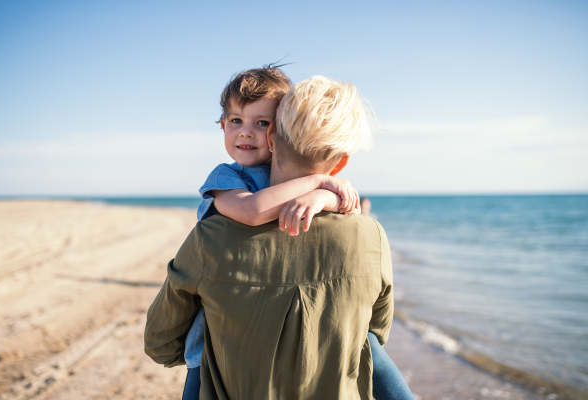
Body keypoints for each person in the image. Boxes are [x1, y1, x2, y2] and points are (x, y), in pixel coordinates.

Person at [145, 75, 414, 399]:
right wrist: (320, 184)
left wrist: (322, 194)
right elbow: (375, 330)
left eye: (260, 122)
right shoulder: (370, 237)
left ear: (271, 135)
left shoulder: (210, 238)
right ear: (341, 163)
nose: (247, 131)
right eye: (235, 121)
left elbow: (160, 345)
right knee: (366, 342)